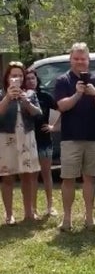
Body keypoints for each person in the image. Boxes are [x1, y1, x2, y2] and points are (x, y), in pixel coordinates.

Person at [54, 42, 95, 231]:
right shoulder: (63, 81)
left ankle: (89, 218)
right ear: (70, 59)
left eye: (83, 59)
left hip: (94, 137)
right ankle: (67, 219)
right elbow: (62, 106)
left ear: (88, 60)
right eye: (76, 59)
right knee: (68, 179)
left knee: (90, 178)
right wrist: (77, 94)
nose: (79, 62)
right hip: (70, 138)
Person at [0, 61, 43, 224]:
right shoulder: (2, 94)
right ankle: (9, 214)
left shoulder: (30, 93)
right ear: (7, 78)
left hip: (26, 137)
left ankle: (29, 212)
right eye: (13, 76)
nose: (16, 79)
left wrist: (26, 101)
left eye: (19, 75)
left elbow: (38, 113)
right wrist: (7, 98)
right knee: (7, 177)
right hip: (6, 139)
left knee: (28, 176)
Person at [25, 69, 58, 218]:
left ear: (37, 80)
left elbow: (61, 109)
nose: (30, 81)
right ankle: (33, 208)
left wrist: (54, 126)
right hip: (28, 140)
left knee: (46, 173)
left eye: (33, 78)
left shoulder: (45, 96)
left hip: (44, 140)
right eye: (27, 79)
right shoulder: (21, 97)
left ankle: (50, 206)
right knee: (32, 176)